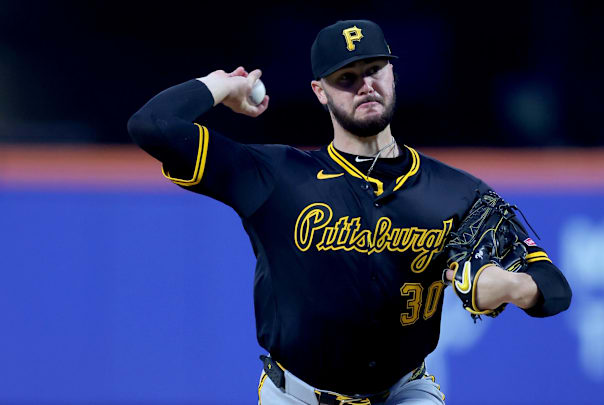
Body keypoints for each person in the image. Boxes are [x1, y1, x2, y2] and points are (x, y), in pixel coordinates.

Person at [127, 19, 571, 405]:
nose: (365, 84)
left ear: (393, 74)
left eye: (374, 69)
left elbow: (555, 288)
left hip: (404, 392)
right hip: (295, 395)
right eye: (346, 77)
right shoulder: (274, 176)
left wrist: (511, 286)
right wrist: (223, 84)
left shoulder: (455, 192)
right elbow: (153, 126)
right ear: (320, 92)